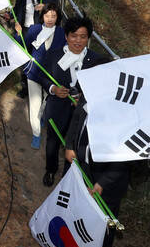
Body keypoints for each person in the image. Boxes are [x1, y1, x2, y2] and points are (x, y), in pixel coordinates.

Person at [33, 15, 109, 186]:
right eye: (74, 36)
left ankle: (67, 179)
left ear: (88, 38)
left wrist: (85, 98)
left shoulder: (96, 60)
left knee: (74, 147)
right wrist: (53, 89)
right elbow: (43, 77)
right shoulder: (54, 55)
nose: (78, 41)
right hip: (57, 108)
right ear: (66, 36)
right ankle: (50, 169)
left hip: (82, 115)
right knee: (53, 141)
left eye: (83, 37)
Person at [64, 102, 129, 247]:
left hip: (108, 180)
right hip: (82, 165)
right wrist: (70, 146)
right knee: (79, 209)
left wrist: (101, 184)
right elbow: (77, 117)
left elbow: (125, 160)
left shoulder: (126, 114)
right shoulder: (91, 87)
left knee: (104, 224)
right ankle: (75, 245)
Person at [24, 3, 66, 150]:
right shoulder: (35, 29)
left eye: (53, 16)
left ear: (57, 18)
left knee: (45, 102)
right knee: (34, 105)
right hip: (34, 73)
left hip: (50, 76)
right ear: (42, 17)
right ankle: (36, 134)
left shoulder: (61, 33)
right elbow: (23, 44)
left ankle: (41, 118)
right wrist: (18, 33)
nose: (50, 19)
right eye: (47, 15)